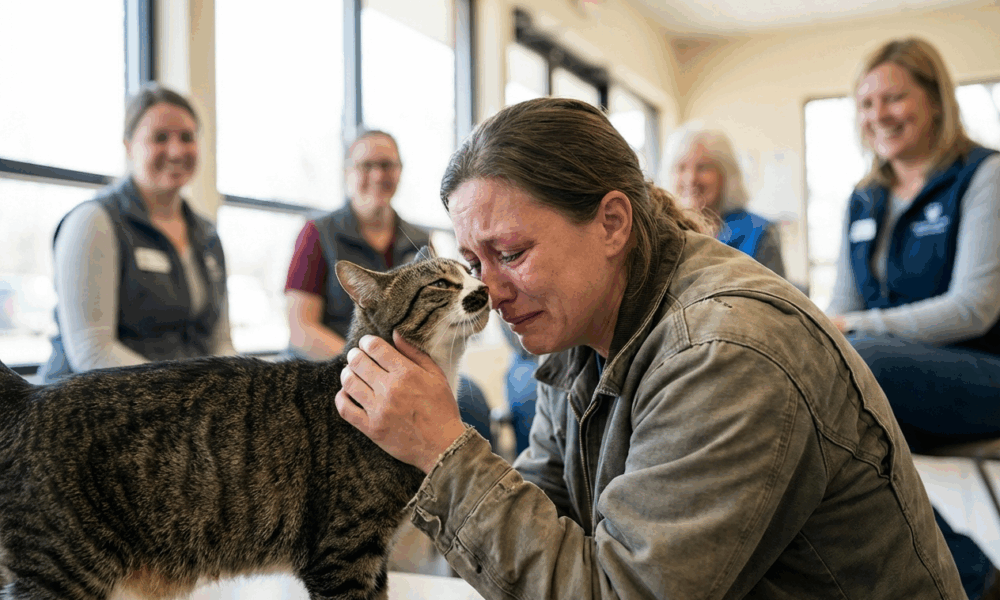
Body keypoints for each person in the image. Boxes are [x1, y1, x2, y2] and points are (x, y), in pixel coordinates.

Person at [334, 96, 967, 599]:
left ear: (612, 223)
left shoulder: (726, 354)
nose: (489, 292)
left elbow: (618, 592)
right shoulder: (577, 327)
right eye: (473, 260)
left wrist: (444, 449)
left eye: (512, 253)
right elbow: (543, 520)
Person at [827, 37, 1000, 600]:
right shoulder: (863, 198)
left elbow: (974, 308)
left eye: (894, 98)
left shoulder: (983, 177)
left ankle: (965, 579)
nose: (879, 115)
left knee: (859, 364)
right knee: (812, 390)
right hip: (891, 375)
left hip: (982, 371)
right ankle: (963, 573)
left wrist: (858, 330)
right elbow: (841, 309)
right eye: (867, 103)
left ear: (934, 100)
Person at [283, 128, 493, 444]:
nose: (378, 174)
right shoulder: (317, 234)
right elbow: (301, 328)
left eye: (387, 165)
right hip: (338, 368)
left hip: (414, 366)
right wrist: (368, 370)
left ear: (399, 172)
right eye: (366, 166)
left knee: (473, 402)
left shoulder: (420, 239)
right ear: (347, 173)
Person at [39, 82, 235, 383]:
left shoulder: (207, 234)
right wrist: (182, 395)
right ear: (129, 146)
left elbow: (220, 342)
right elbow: (92, 352)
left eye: (187, 137)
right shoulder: (94, 221)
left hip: (182, 411)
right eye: (159, 138)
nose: (176, 150)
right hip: (87, 409)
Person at [663, 124, 786, 277]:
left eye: (702, 167)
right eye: (681, 168)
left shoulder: (759, 233)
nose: (691, 178)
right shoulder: (662, 232)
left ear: (726, 175)